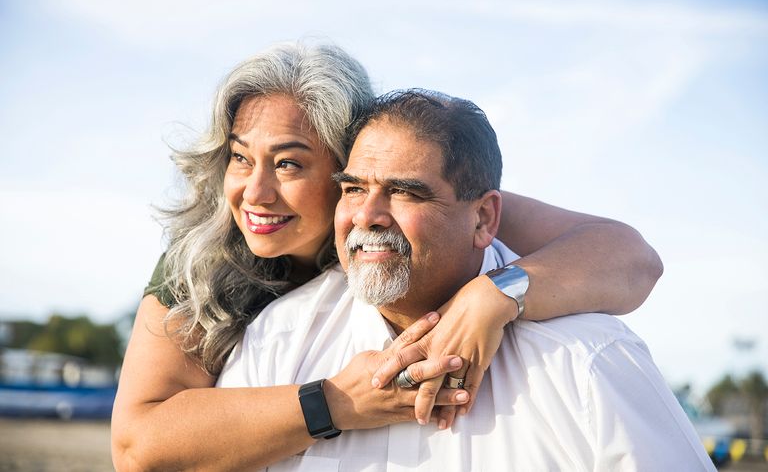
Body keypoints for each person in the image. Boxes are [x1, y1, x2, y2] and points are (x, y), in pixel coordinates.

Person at [111, 43, 663, 471]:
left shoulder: (437, 202)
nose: (254, 194)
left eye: (288, 164)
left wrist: (493, 295)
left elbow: (630, 256)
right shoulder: (208, 260)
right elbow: (138, 447)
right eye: (239, 158)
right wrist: (335, 403)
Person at [219, 89, 713, 471]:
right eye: (352, 189)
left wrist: (497, 295)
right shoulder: (278, 340)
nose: (367, 215)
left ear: (483, 219)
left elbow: (639, 259)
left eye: (404, 193)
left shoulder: (584, 360)